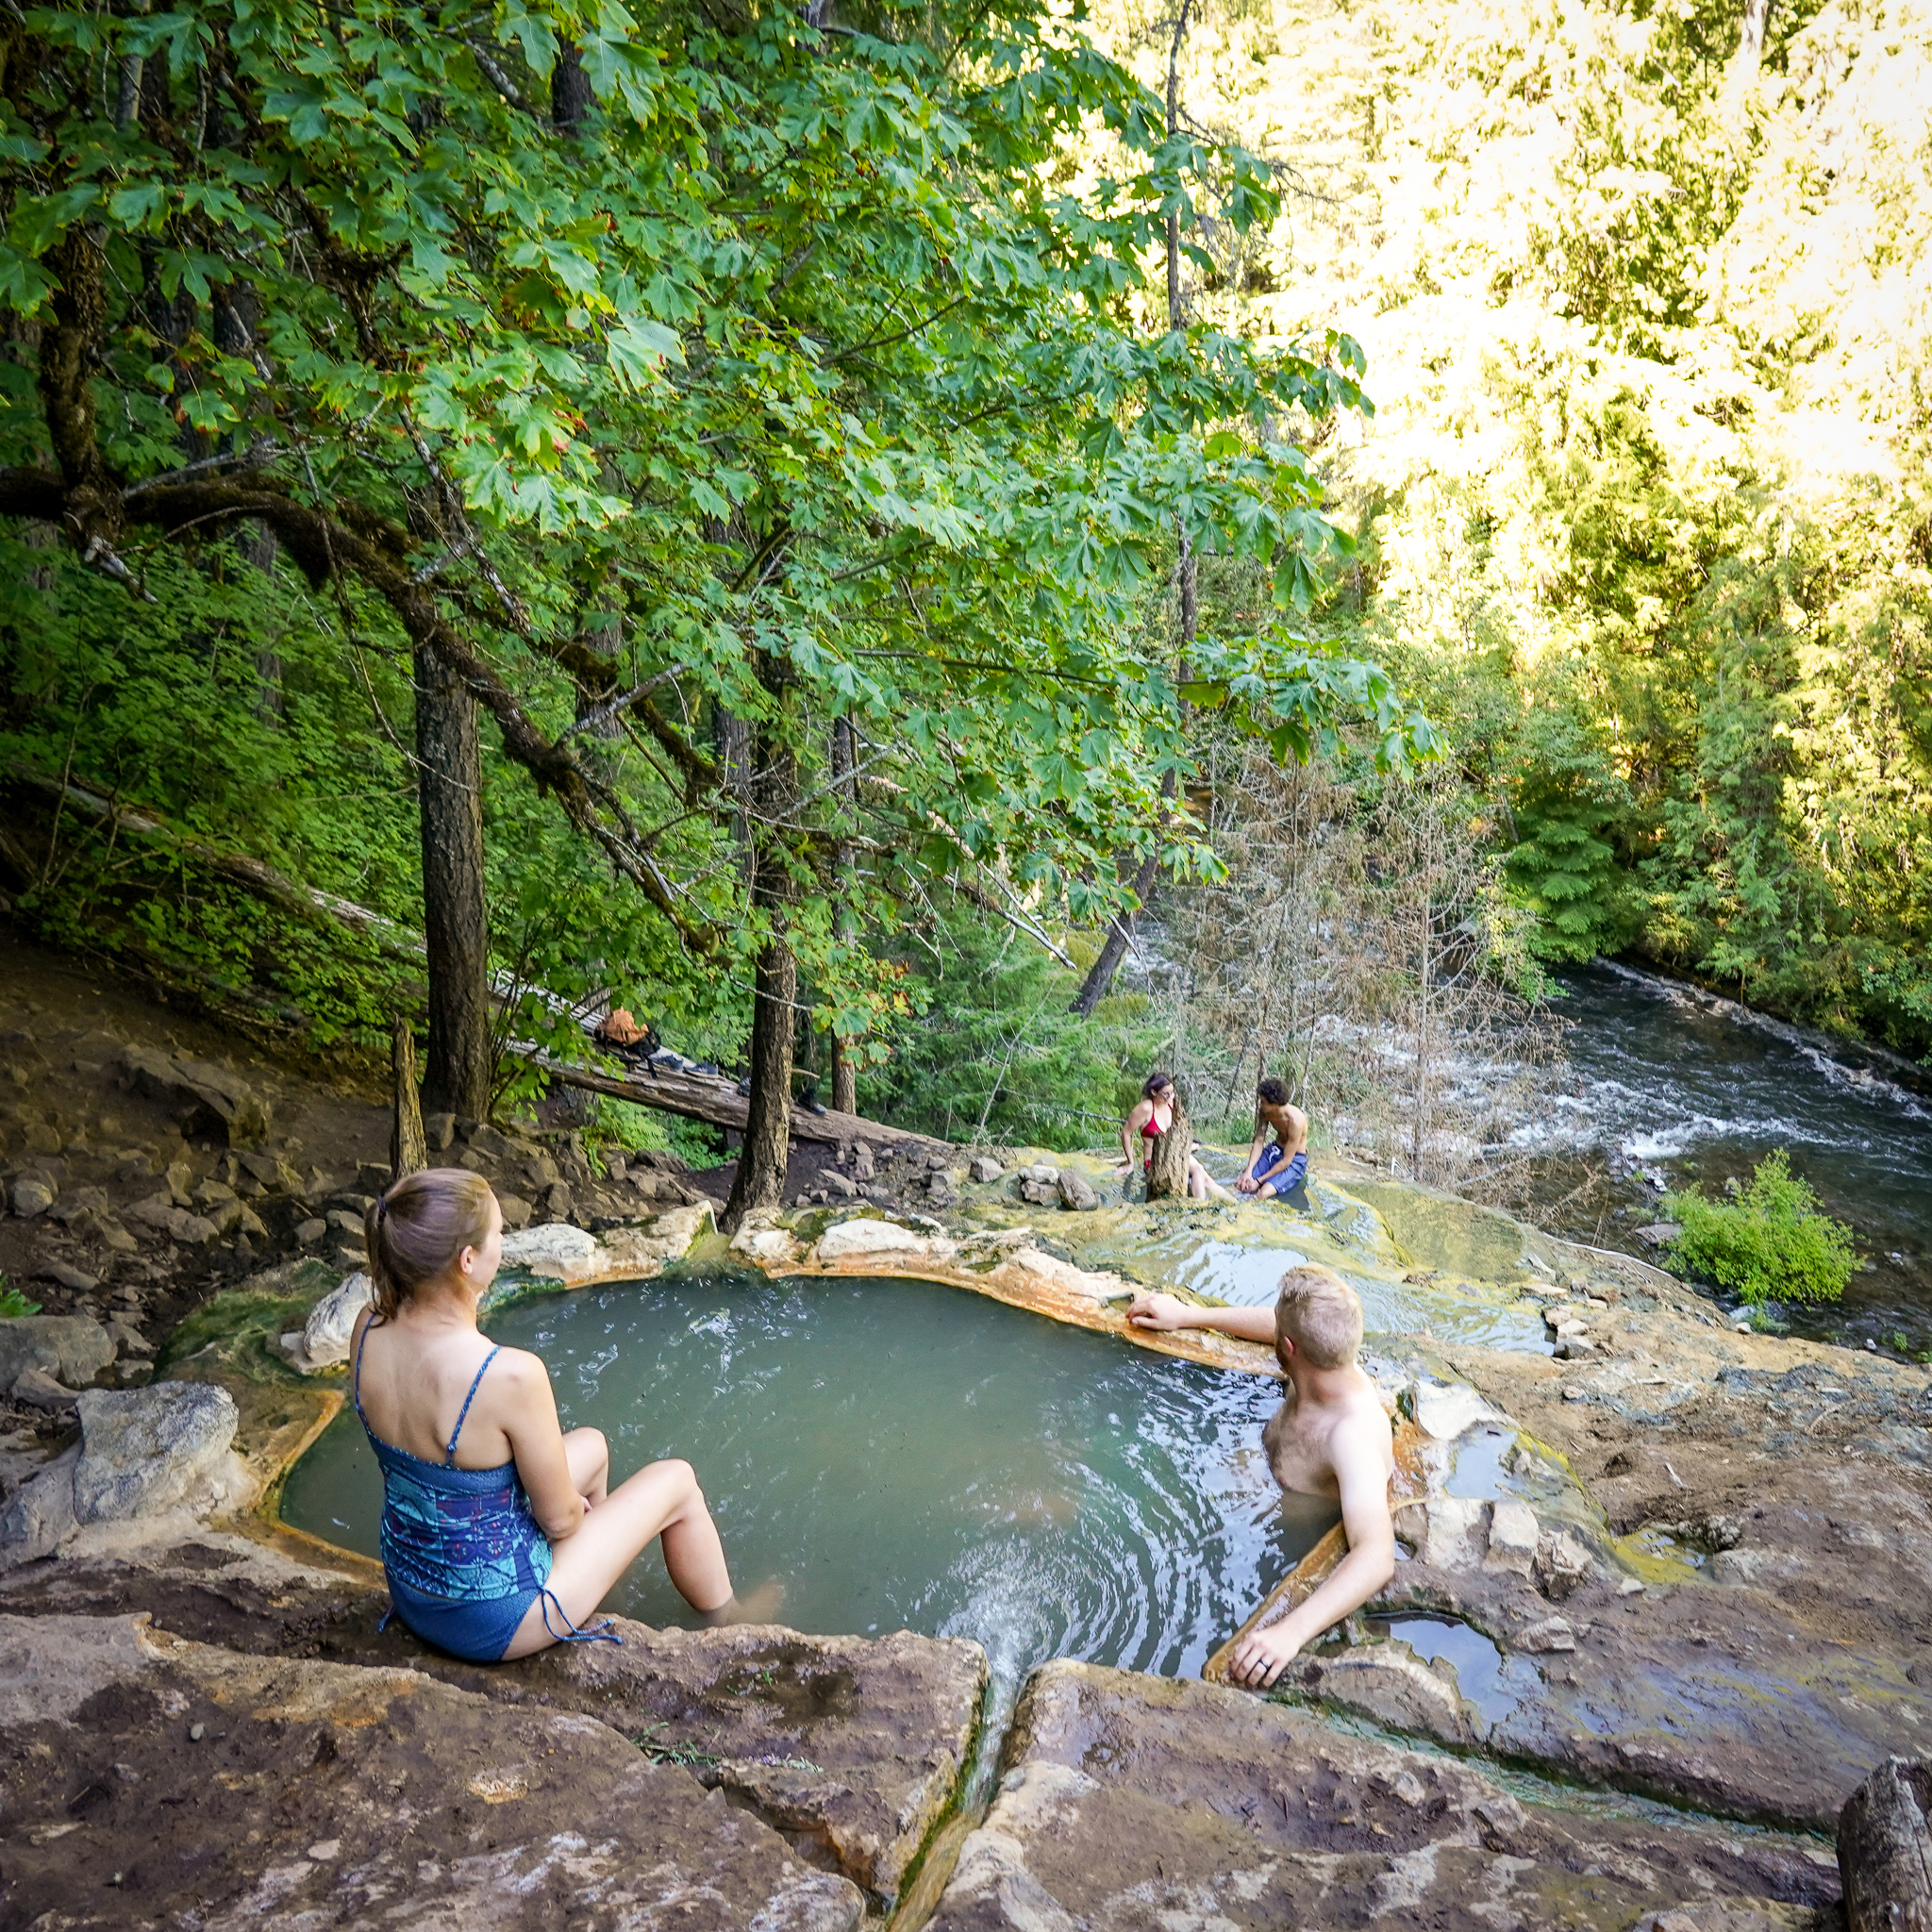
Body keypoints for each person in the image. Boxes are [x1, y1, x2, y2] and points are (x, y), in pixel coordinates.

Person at [351, 1168, 747, 1662]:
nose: (503, 1244)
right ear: (467, 1260)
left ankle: (598, 1593)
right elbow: (559, 1521)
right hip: (494, 1621)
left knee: (593, 1446)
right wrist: (568, 1514)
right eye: (499, 1233)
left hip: (412, 1588)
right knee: (678, 1481)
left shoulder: (368, 1327)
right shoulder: (506, 1374)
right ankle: (731, 1623)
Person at [1125, 1263, 1395, 1688]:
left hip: (1272, 1534)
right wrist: (1189, 1315)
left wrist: (1291, 1633)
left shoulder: (1351, 1436)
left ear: (1288, 1346)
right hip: (1248, 1486)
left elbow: (1377, 1555)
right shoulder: (1320, 1360)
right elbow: (1276, 1323)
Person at [1118, 1071, 1235, 1203]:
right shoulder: (1145, 1108)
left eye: (1172, 1092)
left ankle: (1233, 1203)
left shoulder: (1171, 1102)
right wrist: (1131, 1163)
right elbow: (1126, 1133)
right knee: (1198, 1169)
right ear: (1153, 1092)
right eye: (1165, 1094)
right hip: (1154, 1162)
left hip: (1176, 1155)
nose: (1170, 1096)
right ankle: (1200, 1206)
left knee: (1205, 1177)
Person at [1236, 1075, 1310, 1201]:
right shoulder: (1265, 1112)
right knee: (1242, 1185)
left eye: (1263, 1102)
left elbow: (1287, 1160)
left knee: (1263, 1193)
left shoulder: (1295, 1121)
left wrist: (1259, 1181)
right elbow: (1259, 1141)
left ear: (1274, 1103)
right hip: (1275, 1151)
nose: (1260, 1104)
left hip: (1294, 1160)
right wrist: (1248, 1171)